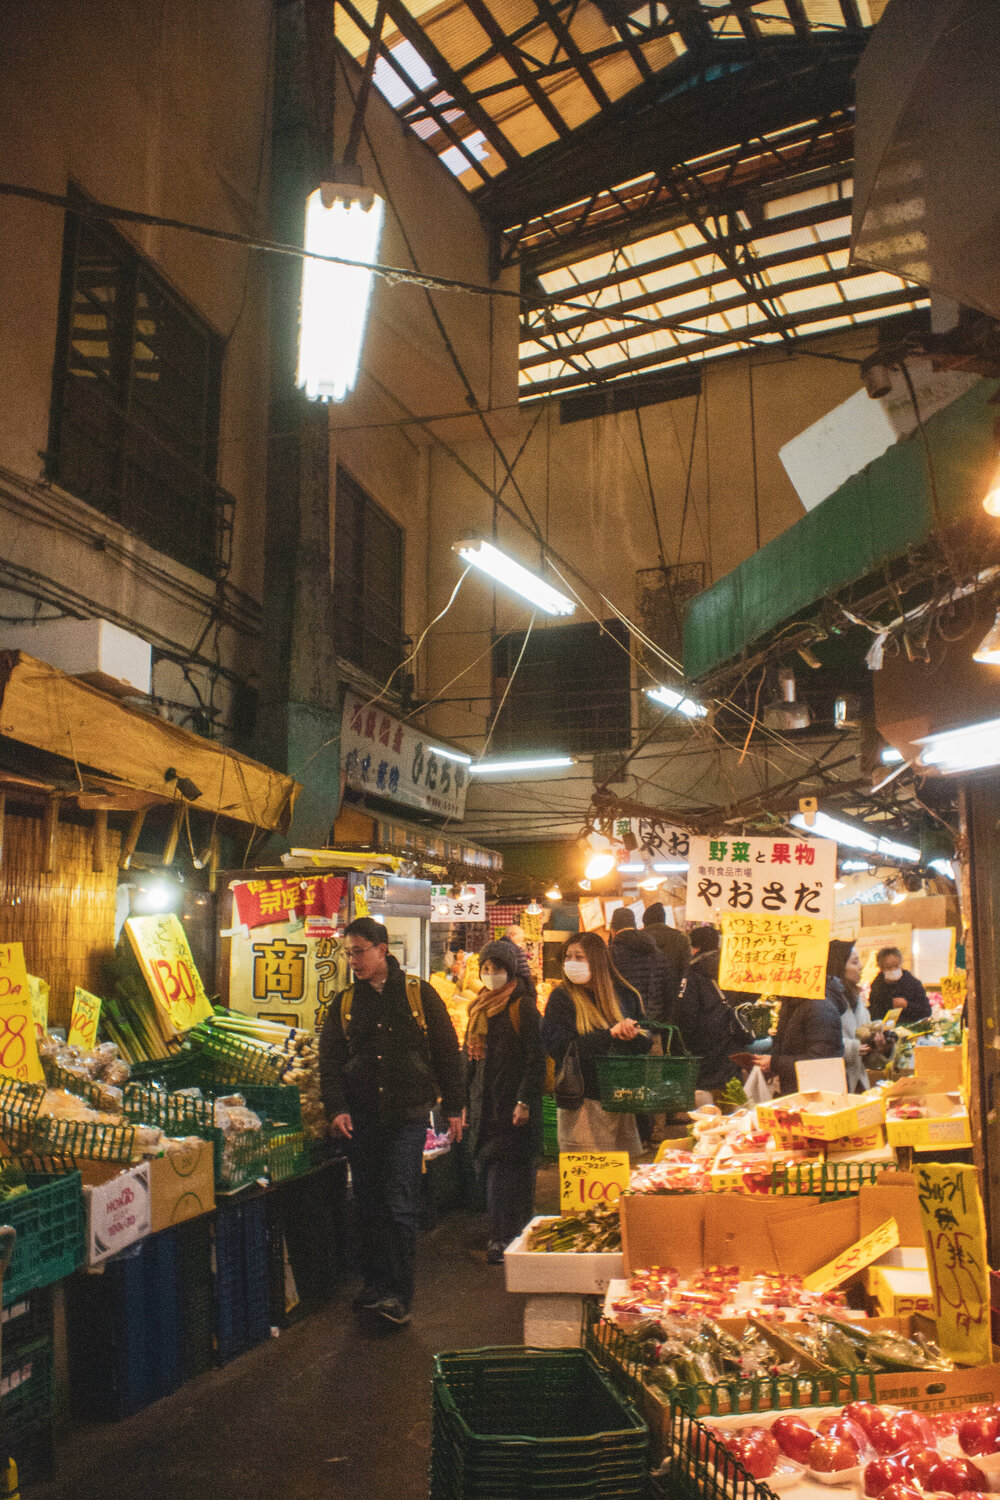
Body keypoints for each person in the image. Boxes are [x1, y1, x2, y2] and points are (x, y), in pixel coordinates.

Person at [319, 916, 464, 1327]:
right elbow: (330, 1061)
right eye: (348, 953)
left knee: (400, 1201)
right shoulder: (345, 1002)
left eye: (359, 951)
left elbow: (447, 1050)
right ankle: (374, 1284)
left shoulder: (420, 994)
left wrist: (454, 1106)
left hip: (406, 1117)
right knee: (368, 1203)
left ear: (383, 950)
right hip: (360, 1121)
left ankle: (399, 1294)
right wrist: (337, 1107)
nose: (353, 960)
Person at [465, 939, 544, 1264]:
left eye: (496, 968)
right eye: (485, 968)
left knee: (510, 1168)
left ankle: (502, 1238)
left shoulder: (521, 1006)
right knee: (499, 1167)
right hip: (487, 1102)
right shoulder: (478, 1008)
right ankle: (512, 1233)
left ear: (510, 970)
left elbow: (536, 1058)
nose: (490, 974)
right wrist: (463, 1100)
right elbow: (470, 1060)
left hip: (513, 1104)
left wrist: (525, 1100)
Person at [541, 930, 651, 1156]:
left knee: (620, 1181)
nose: (571, 963)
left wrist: (632, 1036)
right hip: (582, 1104)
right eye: (568, 957)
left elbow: (645, 1042)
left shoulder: (624, 995)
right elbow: (560, 1048)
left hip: (621, 1102)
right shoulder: (561, 998)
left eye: (579, 957)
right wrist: (608, 1034)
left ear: (597, 961)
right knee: (587, 1178)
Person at [673, 926, 748, 1094]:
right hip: (731, 1034)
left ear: (696, 947)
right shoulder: (734, 966)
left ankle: (710, 1118)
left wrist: (685, 1040)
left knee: (705, 1090)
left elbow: (686, 1012)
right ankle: (736, 1116)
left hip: (704, 1039)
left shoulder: (694, 971)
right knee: (731, 1085)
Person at [767, 985, 845, 1096]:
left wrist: (774, 1063)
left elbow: (820, 1061)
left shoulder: (820, 1008)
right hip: (797, 1094)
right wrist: (773, 1065)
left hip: (820, 1099)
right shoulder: (791, 1004)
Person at [608, 907, 672, 1024]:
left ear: (612, 930)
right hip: (654, 1022)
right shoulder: (657, 952)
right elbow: (667, 988)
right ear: (635, 926)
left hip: (623, 1024)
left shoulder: (611, 954)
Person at [826, 939, 871, 1093]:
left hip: (859, 1083)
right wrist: (853, 1047)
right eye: (855, 962)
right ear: (839, 965)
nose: (861, 966)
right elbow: (821, 1044)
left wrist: (880, 1044)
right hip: (835, 1088)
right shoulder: (826, 1000)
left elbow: (866, 1041)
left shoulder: (857, 999)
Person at [641, 902, 691, 1020]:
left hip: (645, 1000)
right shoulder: (680, 938)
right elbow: (686, 971)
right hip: (672, 997)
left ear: (645, 921)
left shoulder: (639, 938)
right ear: (663, 919)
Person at [868, 946, 931, 1023]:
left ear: (901, 964)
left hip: (911, 1028)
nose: (893, 970)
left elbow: (927, 1011)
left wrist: (907, 1005)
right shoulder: (877, 986)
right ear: (881, 968)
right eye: (888, 967)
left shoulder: (913, 983)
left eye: (896, 966)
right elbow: (874, 1014)